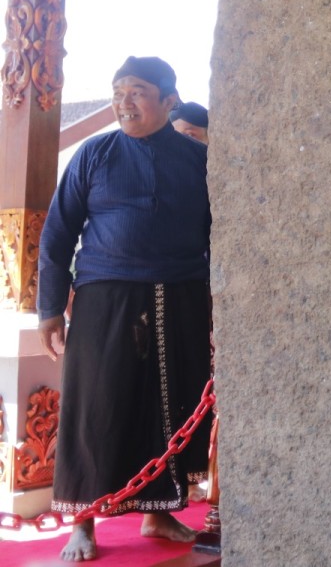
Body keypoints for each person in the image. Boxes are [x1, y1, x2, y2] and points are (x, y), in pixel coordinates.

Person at [37, 56, 212, 562]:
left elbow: (219, 233)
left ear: (168, 100)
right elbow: (57, 235)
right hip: (104, 298)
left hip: (181, 295)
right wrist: (49, 309)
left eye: (136, 91)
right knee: (95, 408)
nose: (123, 102)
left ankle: (160, 513)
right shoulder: (94, 154)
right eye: (118, 92)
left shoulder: (199, 160)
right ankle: (82, 523)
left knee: (171, 408)